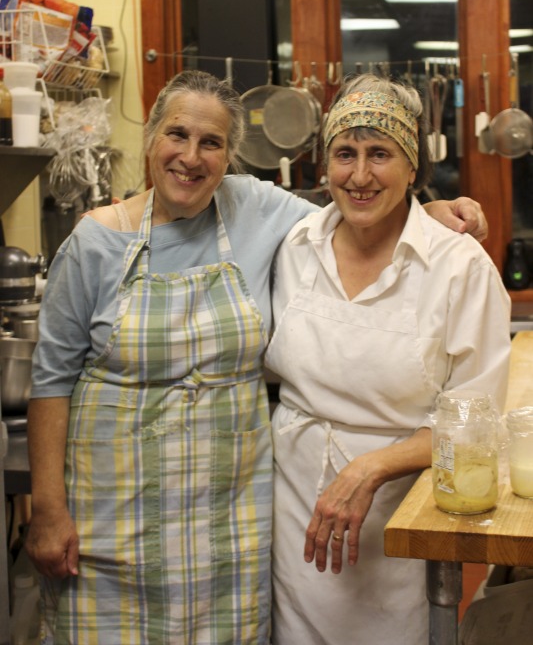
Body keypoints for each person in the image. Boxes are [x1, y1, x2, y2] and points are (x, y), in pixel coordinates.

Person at [26, 69, 489, 645]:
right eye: (177, 135)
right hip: (112, 515)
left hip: (229, 523)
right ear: (150, 139)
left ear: (231, 158)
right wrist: (46, 508)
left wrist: (432, 209)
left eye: (212, 143)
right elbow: (51, 379)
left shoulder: (257, 211)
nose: (191, 158)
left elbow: (361, 201)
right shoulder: (94, 242)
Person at [264, 73, 511, 645]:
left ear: (412, 167)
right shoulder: (296, 246)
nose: (360, 175)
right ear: (325, 165)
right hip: (296, 506)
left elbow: (477, 426)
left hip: (402, 520)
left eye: (381, 154)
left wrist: (371, 467)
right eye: (344, 154)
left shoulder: (458, 267)